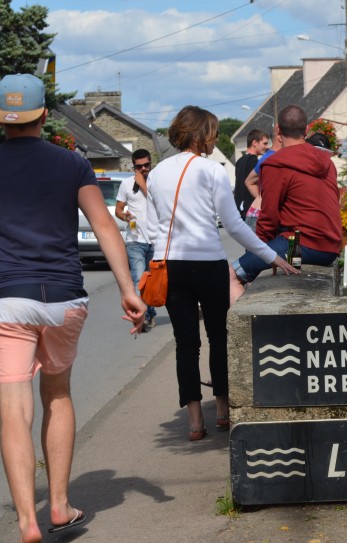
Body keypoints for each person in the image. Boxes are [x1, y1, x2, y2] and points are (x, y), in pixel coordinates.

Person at [0, 73, 145, 543]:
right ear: (45, 115)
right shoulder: (71, 164)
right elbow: (105, 227)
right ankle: (59, 506)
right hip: (64, 298)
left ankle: (26, 522)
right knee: (57, 394)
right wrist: (128, 288)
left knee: (12, 407)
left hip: (7, 299)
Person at [145, 105, 297, 442]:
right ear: (200, 135)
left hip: (170, 265)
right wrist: (272, 256)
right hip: (208, 263)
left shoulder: (155, 173)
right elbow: (234, 226)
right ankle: (224, 409)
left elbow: (154, 228)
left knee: (186, 344)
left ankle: (195, 421)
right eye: (212, 133)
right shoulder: (211, 171)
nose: (215, 140)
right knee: (218, 337)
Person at [231, 105, 342, 289]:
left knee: (232, 275)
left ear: (278, 131)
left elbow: (269, 219)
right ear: (306, 129)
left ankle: (242, 318)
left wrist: (258, 253)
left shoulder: (275, 164)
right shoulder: (326, 162)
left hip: (298, 244)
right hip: (330, 248)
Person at [115, 149, 158, 331]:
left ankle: (150, 312)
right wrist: (124, 216)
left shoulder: (157, 182)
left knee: (152, 282)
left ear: (151, 164)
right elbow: (118, 210)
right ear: (134, 167)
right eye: (139, 167)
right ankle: (143, 316)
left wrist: (143, 185)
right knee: (139, 279)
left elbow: (160, 202)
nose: (143, 169)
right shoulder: (126, 184)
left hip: (155, 240)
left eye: (146, 165)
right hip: (135, 240)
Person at [242, 129, 282, 231]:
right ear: (280, 138)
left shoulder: (263, 158)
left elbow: (247, 182)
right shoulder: (268, 158)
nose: (266, 146)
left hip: (253, 212)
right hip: (260, 216)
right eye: (264, 143)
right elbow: (249, 182)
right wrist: (266, 202)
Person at [234, 128, 270, 221]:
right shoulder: (253, 160)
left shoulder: (239, 161)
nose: (267, 147)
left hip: (240, 210)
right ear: (254, 143)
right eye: (264, 143)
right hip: (250, 211)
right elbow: (255, 184)